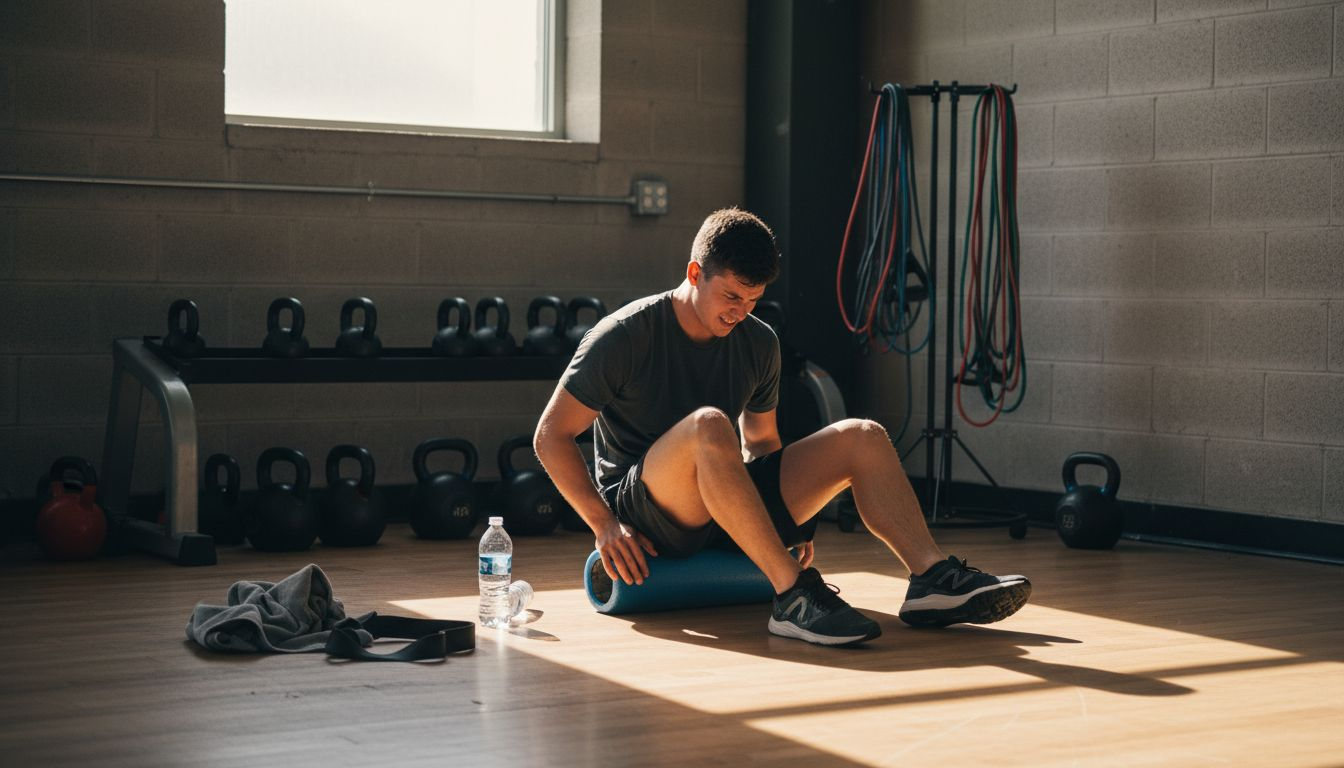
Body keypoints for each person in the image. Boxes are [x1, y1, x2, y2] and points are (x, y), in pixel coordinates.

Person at [533, 208, 1030, 647]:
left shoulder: (758, 342)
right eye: (730, 295)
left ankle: (931, 578)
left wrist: (791, 519)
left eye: (752, 300)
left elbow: (764, 444)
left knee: (863, 435)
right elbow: (550, 435)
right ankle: (793, 596)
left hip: (721, 493)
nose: (739, 312)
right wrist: (604, 526)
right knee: (709, 424)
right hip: (650, 510)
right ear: (694, 273)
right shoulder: (625, 335)